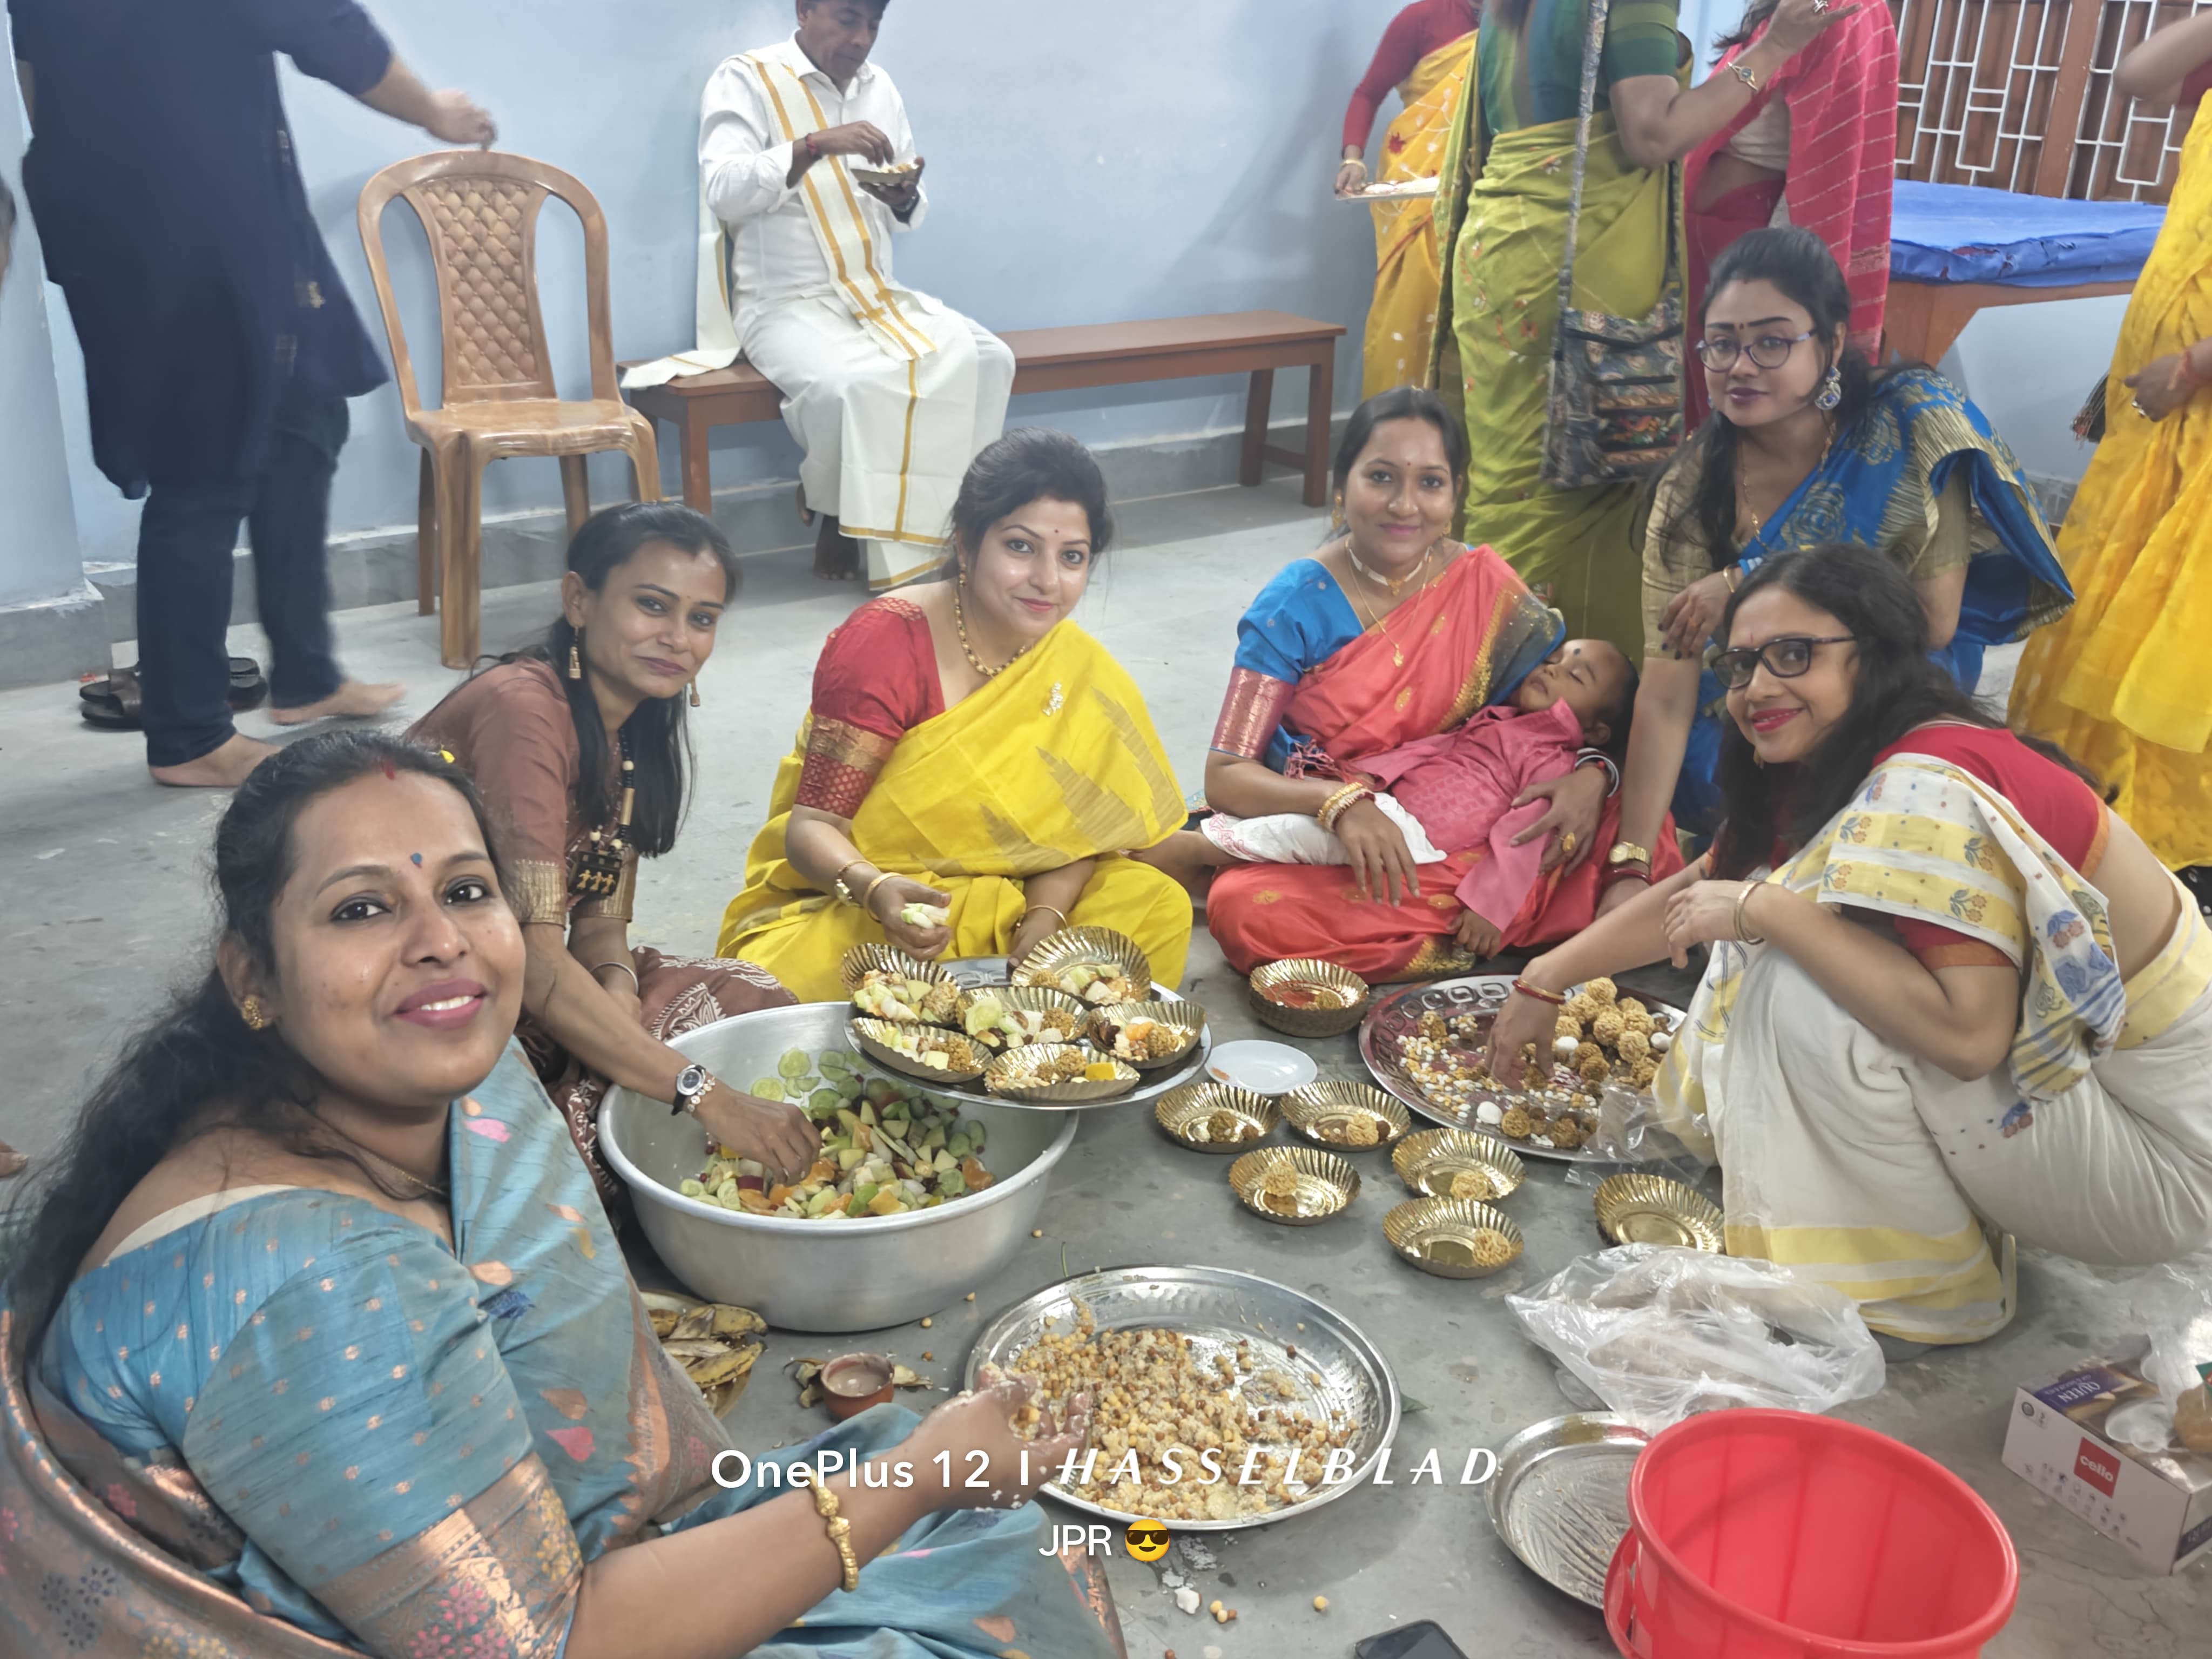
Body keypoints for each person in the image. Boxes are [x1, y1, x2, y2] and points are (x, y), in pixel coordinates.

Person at [0, 731, 1124, 1659]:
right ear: (252, 976)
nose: (439, 942)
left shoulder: (410, 1089)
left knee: (964, 1525)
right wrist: (913, 1481)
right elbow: (557, 1644)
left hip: (541, 1562)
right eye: (360, 910)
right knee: (953, 1549)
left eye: (466, 890)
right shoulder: (313, 1291)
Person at [1486, 548, 2212, 1344]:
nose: (1758, 687)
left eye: (1795, 655)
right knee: (1763, 908)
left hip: (2165, 1164)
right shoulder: (1844, 757)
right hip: (2083, 1110)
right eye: (1741, 665)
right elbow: (1704, 880)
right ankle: (1861, 1216)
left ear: (1875, 653)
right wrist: (1544, 978)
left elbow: (1969, 1040)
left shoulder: (1927, 778)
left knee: (1794, 978)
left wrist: (1766, 911)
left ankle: (1904, 1297)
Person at [9, 0, 494, 787]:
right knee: (201, 468)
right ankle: (190, 734)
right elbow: (327, 27)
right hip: (190, 225)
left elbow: (34, 73)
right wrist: (434, 110)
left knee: (307, 422)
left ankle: (307, 673)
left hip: (179, 210)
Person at [1605, 227, 2069, 911]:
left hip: (1884, 677)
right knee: (1710, 767)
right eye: (1721, 344)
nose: (1740, 366)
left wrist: (1748, 578)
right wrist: (1630, 866)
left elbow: (1931, 622)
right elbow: (1668, 689)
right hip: (1762, 690)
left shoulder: (1909, 428)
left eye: (1771, 342)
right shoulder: (1693, 487)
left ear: (1829, 343)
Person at [1195, 388, 1684, 980]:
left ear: (1455, 496)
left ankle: (1481, 906)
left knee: (1638, 818)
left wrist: (1592, 775)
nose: (1405, 505)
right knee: (1246, 910)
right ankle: (1500, 919)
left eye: (1430, 482)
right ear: (1342, 484)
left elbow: (1571, 717)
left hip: (1483, 819)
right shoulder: (1292, 606)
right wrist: (1338, 804)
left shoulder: (1485, 588)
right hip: (1343, 835)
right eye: (1381, 477)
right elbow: (1226, 775)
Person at [408, 502, 813, 1217]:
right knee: (564, 1153)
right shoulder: (523, 710)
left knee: (752, 996)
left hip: (526, 986)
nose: (677, 638)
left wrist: (617, 988)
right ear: (579, 600)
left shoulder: (630, 733)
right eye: (652, 605)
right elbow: (535, 959)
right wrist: (699, 1090)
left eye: (701, 618)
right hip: (435, 990)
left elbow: (598, 927)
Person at [1427, 0, 1854, 655]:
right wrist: (1774, 48)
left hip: (1497, 253)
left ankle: (1474, 655)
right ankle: (1544, 679)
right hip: (1580, 261)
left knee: (1508, 481)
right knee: (1586, 487)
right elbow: (1651, 135)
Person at [719, 428, 1192, 1001]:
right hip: (878, 903)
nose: (1047, 580)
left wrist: (1045, 917)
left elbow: (1078, 840)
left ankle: (1023, 1021)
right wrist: (876, 890)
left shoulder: (1076, 665)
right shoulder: (885, 643)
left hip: (1018, 898)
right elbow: (812, 829)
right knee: (779, 981)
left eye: (1072, 557)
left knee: (1155, 905)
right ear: (967, 544)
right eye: (1020, 547)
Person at [689, 0, 1013, 590]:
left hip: (874, 292)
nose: (862, 39)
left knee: (992, 358)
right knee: (851, 386)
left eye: (874, 25)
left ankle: (957, 530)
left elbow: (910, 207)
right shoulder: (746, 78)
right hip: (783, 302)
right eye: (847, 19)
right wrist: (813, 146)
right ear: (805, 10)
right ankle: (839, 510)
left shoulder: (879, 87)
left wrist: (903, 198)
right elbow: (724, 191)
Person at [2011, 14, 2212, 876]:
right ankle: (2104, 835)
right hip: (2159, 425)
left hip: (2194, 401)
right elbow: (2137, 77)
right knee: (2118, 626)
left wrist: (2195, 365)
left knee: (2184, 647)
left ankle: (2179, 862)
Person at [1196, 639, 1637, 960]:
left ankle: (1203, 849)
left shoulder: (1553, 762)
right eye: (1553, 660)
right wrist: (1369, 775)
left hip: (1417, 839)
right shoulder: (1500, 718)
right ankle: (1222, 846)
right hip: (1392, 807)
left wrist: (1491, 907)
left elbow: (1524, 834)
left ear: (1597, 733)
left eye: (1576, 675)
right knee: (1318, 828)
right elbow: (1431, 749)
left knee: (1313, 834)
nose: (1553, 669)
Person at [1682, 0, 1898, 426]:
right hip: (1714, 235)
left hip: (1744, 248)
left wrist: (1783, 275)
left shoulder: (1835, 11)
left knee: (1732, 408)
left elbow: (1828, 161)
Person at [1334, 0, 1481, 397]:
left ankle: (1464, 429)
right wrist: (1353, 159)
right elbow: (1368, 94)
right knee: (1414, 296)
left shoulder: (1523, 22)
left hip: (1488, 179)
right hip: (1418, 179)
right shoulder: (1423, 18)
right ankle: (1401, 415)